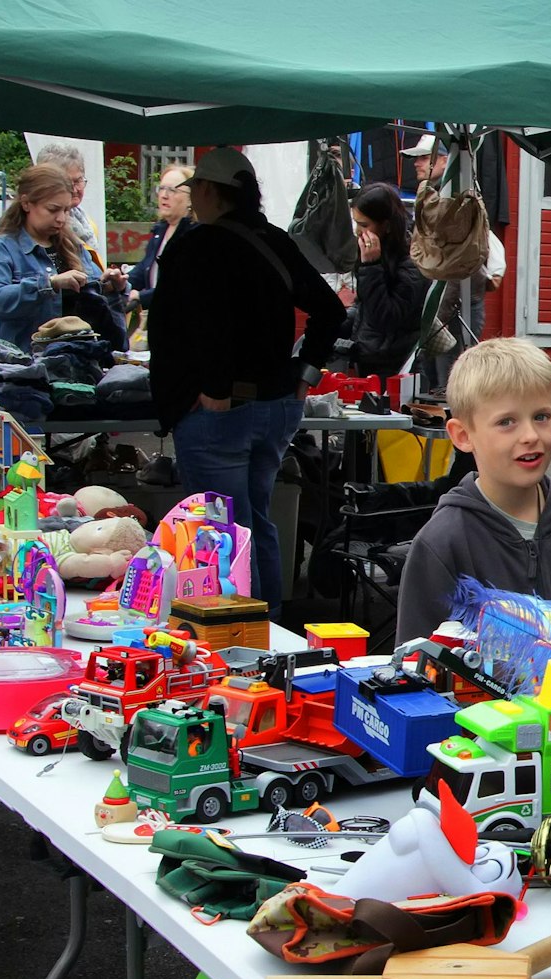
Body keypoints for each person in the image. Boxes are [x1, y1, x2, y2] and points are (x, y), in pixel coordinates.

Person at [147, 147, 346, 623]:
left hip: (220, 412)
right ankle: (269, 624)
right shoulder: (274, 240)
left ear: (212, 191)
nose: (191, 195)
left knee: (219, 532)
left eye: (194, 187)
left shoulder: (196, 246)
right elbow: (331, 310)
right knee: (256, 521)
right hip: (275, 403)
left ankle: (240, 632)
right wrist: (306, 371)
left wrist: (212, 388)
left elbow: (200, 324)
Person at [395, 337, 551, 644]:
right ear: (463, 435)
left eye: (541, 417)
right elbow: (415, 665)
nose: (530, 435)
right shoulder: (442, 542)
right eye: (507, 422)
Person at [0, 163, 89, 350]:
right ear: (26, 203)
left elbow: (94, 296)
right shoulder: (2, 248)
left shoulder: (72, 247)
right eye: (53, 209)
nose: (61, 218)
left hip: (71, 361)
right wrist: (49, 284)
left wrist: (111, 285)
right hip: (18, 366)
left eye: (66, 210)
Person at [347, 183, 428, 376]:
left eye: (365, 225)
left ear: (386, 225)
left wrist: (370, 267)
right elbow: (365, 305)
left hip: (395, 365)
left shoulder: (411, 264)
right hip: (368, 356)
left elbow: (386, 317)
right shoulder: (378, 255)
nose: (358, 231)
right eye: (356, 223)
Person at [34, 141, 128, 305]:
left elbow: (89, 281)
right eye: (69, 182)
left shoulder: (84, 222)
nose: (76, 188)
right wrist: (52, 283)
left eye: (79, 180)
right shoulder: (36, 230)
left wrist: (110, 284)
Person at [127, 163, 197, 312]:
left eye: (172, 190)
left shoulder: (194, 236)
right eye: (162, 188)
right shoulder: (161, 230)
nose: (164, 195)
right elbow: (144, 269)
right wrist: (121, 281)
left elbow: (180, 285)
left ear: (191, 199)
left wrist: (141, 296)